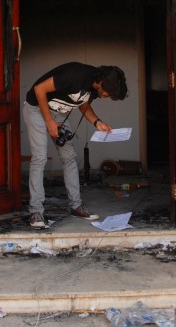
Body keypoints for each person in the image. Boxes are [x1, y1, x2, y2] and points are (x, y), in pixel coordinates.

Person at [23, 62, 128, 229]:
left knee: (69, 157)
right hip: (36, 108)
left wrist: (97, 122)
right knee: (40, 158)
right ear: (102, 83)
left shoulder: (94, 89)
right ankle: (36, 211)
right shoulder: (76, 74)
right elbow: (39, 89)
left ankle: (76, 206)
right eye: (109, 93)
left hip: (58, 113)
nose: (107, 96)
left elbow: (83, 104)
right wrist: (49, 121)